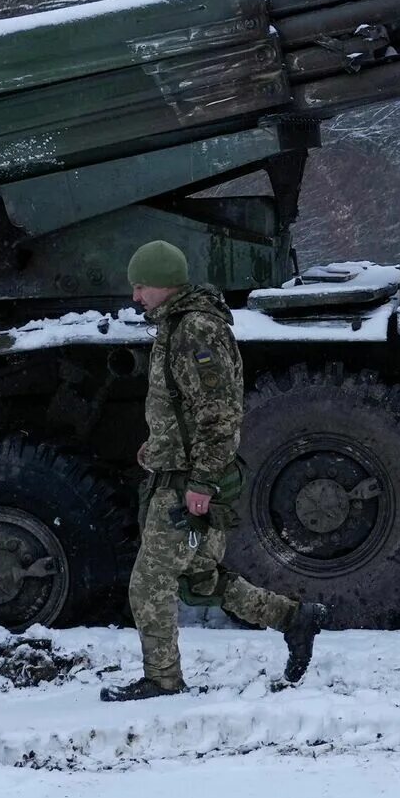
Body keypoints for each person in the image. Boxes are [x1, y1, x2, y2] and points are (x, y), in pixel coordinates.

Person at [100, 241, 327, 702]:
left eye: (141, 286)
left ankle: (162, 679)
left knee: (149, 583)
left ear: (163, 283)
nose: (135, 296)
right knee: (201, 579)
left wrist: (201, 481)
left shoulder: (196, 330)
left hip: (190, 482)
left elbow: (219, 412)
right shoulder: (176, 325)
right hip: (177, 473)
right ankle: (292, 618)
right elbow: (185, 408)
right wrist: (158, 445)